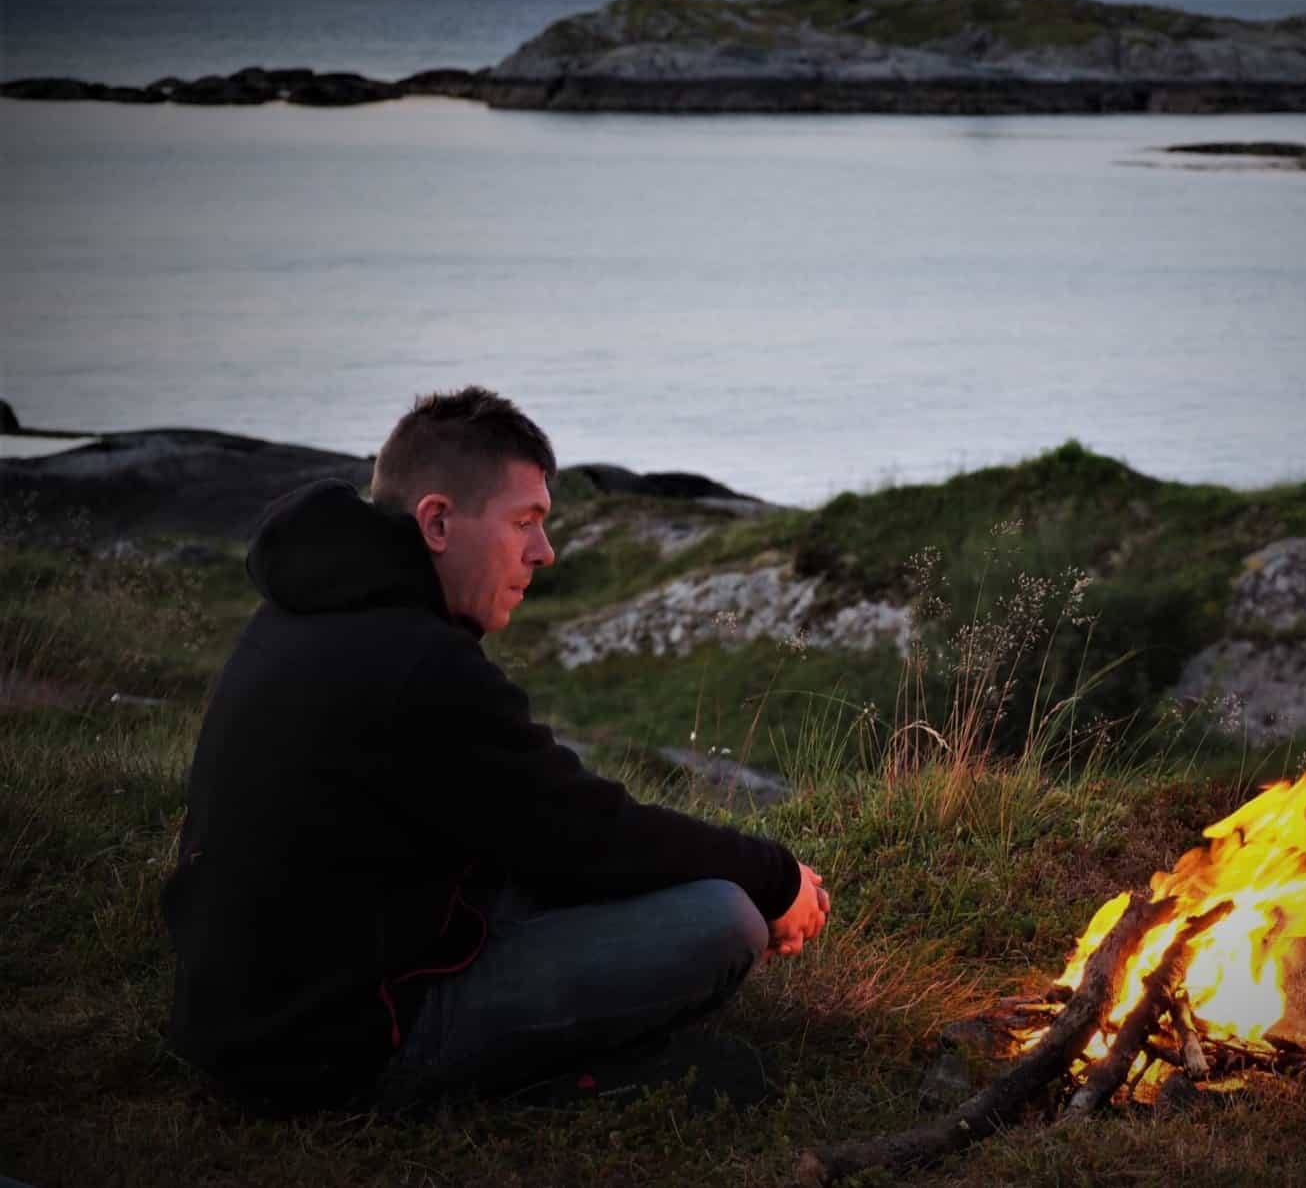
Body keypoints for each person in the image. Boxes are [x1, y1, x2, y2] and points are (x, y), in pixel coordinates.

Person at [163, 387, 828, 1112]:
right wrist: (775, 878)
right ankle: (561, 1082)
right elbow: (591, 831)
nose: (543, 553)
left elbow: (542, 822)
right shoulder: (418, 665)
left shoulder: (307, 606)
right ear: (439, 521)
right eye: (525, 522)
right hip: (336, 1045)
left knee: (588, 876)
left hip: (246, 1011)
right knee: (721, 919)